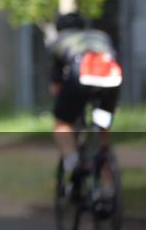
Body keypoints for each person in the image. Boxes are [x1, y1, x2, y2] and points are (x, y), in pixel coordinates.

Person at [49, 11, 123, 186]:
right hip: (111, 78)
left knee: (62, 124)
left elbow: (56, 87)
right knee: (102, 125)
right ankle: (107, 186)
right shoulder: (101, 37)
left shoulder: (58, 42)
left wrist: (66, 107)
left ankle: (74, 163)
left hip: (79, 75)